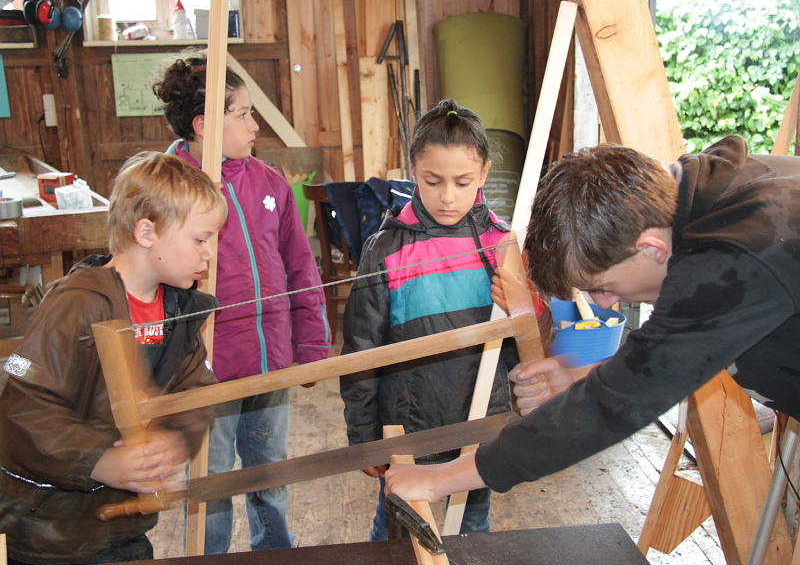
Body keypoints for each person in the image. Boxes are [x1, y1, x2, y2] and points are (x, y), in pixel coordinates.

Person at [384, 135, 800, 502]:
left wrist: (441, 479)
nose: (601, 303)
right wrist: (582, 376)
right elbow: (686, 347)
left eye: (601, 286)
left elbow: (612, 406)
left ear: (651, 249)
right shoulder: (697, 201)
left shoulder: (741, 255)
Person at [0, 152, 226, 564]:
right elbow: (24, 411)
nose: (209, 252)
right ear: (146, 232)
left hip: (122, 526)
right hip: (49, 531)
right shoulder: (78, 304)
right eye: (200, 239)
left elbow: (195, 394)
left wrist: (174, 440)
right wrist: (99, 460)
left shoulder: (179, 312)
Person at [153, 55, 331, 553]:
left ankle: (274, 551)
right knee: (210, 483)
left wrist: (311, 345)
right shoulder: (168, 189)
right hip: (206, 369)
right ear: (203, 125)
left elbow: (301, 267)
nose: (255, 126)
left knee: (268, 472)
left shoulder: (269, 182)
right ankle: (206, 557)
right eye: (243, 114)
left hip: (269, 359)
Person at [340, 99, 539, 540]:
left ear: (484, 174)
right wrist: (363, 434)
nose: (448, 197)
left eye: (462, 182)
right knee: (397, 529)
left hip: (481, 422)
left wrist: (524, 307)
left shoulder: (502, 245)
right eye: (433, 181)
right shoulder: (386, 249)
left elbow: (531, 343)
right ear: (414, 170)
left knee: (471, 530)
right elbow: (360, 351)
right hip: (408, 425)